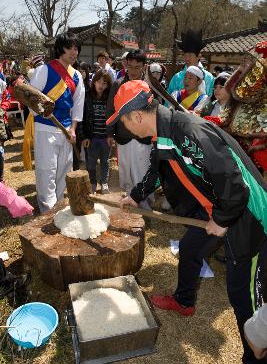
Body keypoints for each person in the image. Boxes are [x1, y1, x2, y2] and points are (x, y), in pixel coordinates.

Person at [108, 79, 267, 363]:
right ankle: (184, 301)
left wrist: (221, 219)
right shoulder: (164, 134)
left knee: (243, 295)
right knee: (191, 249)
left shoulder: (188, 131)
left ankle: (255, 355)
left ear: (137, 116)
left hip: (249, 218)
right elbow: (156, 170)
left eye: (124, 122)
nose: (126, 130)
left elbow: (234, 183)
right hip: (219, 208)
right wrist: (135, 196)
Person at [30, 32, 85, 213]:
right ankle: (47, 211)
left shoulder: (77, 76)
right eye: (70, 47)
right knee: (47, 170)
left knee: (64, 170)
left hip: (66, 130)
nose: (74, 52)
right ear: (60, 48)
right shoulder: (44, 70)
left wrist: (74, 129)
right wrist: (43, 111)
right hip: (45, 127)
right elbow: (32, 101)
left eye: (76, 48)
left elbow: (77, 106)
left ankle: (60, 207)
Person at [106, 50, 154, 210]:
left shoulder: (150, 86)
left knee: (142, 173)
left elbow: (156, 111)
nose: (133, 71)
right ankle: (129, 206)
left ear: (144, 67)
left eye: (137, 67)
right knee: (126, 173)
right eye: (130, 67)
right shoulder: (118, 84)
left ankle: (145, 208)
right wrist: (109, 133)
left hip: (144, 137)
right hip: (123, 135)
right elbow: (110, 110)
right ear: (126, 65)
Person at [77, 70, 112, 194]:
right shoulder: (87, 96)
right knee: (90, 162)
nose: (101, 85)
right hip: (91, 137)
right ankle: (92, 182)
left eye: (104, 83)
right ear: (93, 82)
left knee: (105, 162)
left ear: (108, 85)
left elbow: (114, 118)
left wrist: (111, 135)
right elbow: (81, 119)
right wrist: (83, 137)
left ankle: (104, 182)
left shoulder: (109, 98)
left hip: (105, 137)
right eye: (98, 82)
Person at [168, 29, 214, 98]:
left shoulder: (209, 77)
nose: (187, 58)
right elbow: (168, 100)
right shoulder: (177, 77)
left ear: (198, 56)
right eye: (185, 55)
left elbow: (210, 100)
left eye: (190, 55)